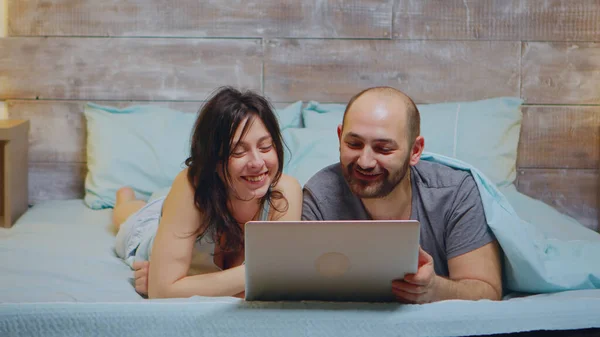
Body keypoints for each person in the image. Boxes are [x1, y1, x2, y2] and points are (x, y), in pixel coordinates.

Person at [302, 86, 503, 304]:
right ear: (340, 137)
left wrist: (435, 289)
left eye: (383, 149)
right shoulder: (319, 196)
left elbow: (487, 290)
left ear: (415, 151)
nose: (365, 162)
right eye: (354, 144)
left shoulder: (455, 193)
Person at [113, 86, 302, 299]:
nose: (257, 163)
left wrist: (180, 286)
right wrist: (261, 273)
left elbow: (278, 286)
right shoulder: (189, 186)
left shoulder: (287, 193)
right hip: (155, 230)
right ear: (213, 159)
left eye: (266, 147)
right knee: (131, 218)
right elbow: (163, 292)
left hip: (187, 213)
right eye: (238, 152)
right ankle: (124, 198)